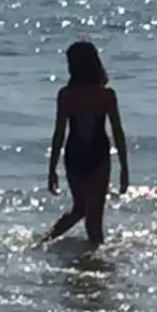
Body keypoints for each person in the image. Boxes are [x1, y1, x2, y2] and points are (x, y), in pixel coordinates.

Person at [44, 41, 129, 246]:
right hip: (97, 154)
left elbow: (59, 134)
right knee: (93, 219)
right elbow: (117, 132)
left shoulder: (67, 94)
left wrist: (52, 167)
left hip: (75, 155)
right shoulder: (105, 95)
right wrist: (124, 167)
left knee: (80, 209)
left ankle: (46, 241)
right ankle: (95, 265)